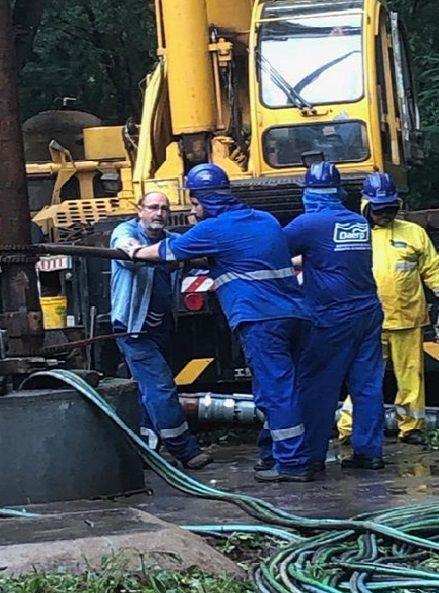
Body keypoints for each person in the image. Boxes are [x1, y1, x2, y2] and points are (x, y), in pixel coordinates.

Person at [129, 163, 314, 482]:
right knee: (278, 388)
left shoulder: (212, 230)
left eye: (194, 203)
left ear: (207, 200)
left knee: (276, 391)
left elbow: (166, 252)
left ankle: (293, 464)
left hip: (260, 319)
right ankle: (272, 455)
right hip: (295, 315)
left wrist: (134, 252)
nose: (192, 210)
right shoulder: (266, 220)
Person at [284, 162, 386, 471]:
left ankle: (312, 456)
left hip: (332, 316)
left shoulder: (308, 223)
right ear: (338, 192)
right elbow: (335, 257)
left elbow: (272, 248)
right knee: (367, 386)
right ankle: (369, 453)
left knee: (319, 386)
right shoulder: (358, 222)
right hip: (368, 312)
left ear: (309, 192)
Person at [109, 192, 210, 470]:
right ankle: (185, 451)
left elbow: (195, 256)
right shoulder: (126, 232)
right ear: (139, 210)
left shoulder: (171, 240)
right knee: (161, 387)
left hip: (161, 326)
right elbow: (126, 251)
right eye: (153, 207)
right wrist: (145, 252)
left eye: (164, 208)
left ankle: (146, 451)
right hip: (134, 328)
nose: (159, 213)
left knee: (148, 392)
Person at [361, 172, 439, 445]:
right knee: (364, 380)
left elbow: (432, 269)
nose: (385, 215)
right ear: (366, 207)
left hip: (408, 318)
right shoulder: (357, 234)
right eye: (379, 210)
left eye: (390, 209)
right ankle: (350, 428)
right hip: (370, 321)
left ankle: (411, 426)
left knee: (411, 377)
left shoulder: (413, 233)